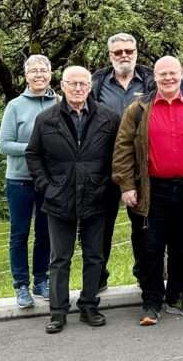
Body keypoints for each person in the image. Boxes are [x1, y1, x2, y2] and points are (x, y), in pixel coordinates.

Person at [112, 56, 183, 326]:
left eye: (173, 73)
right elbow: (122, 149)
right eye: (162, 74)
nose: (168, 78)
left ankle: (177, 296)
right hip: (151, 190)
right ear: (155, 77)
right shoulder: (138, 109)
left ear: (181, 74)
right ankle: (151, 302)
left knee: (182, 246)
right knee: (149, 248)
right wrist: (126, 185)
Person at [26, 66, 119, 333]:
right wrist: (46, 185)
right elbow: (33, 155)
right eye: (72, 83)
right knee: (60, 258)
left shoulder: (108, 118)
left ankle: (89, 305)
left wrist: (108, 184)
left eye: (83, 84)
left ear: (90, 86)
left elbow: (118, 154)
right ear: (63, 85)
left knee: (94, 256)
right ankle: (58, 311)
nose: (78, 89)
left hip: (97, 196)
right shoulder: (46, 119)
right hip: (59, 198)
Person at [90, 33, 156, 290]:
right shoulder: (97, 82)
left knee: (142, 225)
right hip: (103, 164)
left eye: (129, 51)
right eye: (118, 52)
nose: (124, 56)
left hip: (140, 166)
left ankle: (145, 276)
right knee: (101, 226)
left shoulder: (150, 80)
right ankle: (99, 278)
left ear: (136, 52)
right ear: (110, 55)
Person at [0, 54, 57, 309]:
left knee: (46, 232)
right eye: (33, 71)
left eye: (43, 70)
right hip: (20, 180)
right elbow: (5, 145)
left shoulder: (60, 102)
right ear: (26, 76)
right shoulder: (15, 106)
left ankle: (41, 280)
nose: (38, 75)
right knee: (19, 234)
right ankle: (21, 285)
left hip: (50, 180)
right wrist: (35, 147)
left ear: (50, 74)